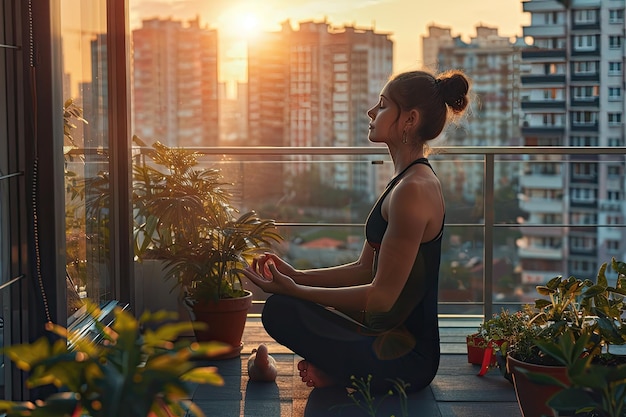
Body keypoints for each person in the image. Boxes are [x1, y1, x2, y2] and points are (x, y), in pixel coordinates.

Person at [241, 69, 470, 394]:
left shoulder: (414, 190)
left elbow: (380, 297)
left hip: (407, 360)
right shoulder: (403, 181)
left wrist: (297, 292)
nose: (371, 112)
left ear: (409, 119)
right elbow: (364, 269)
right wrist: (298, 276)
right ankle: (334, 370)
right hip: (380, 336)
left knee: (282, 309)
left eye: (383, 105)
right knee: (284, 303)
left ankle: (334, 371)